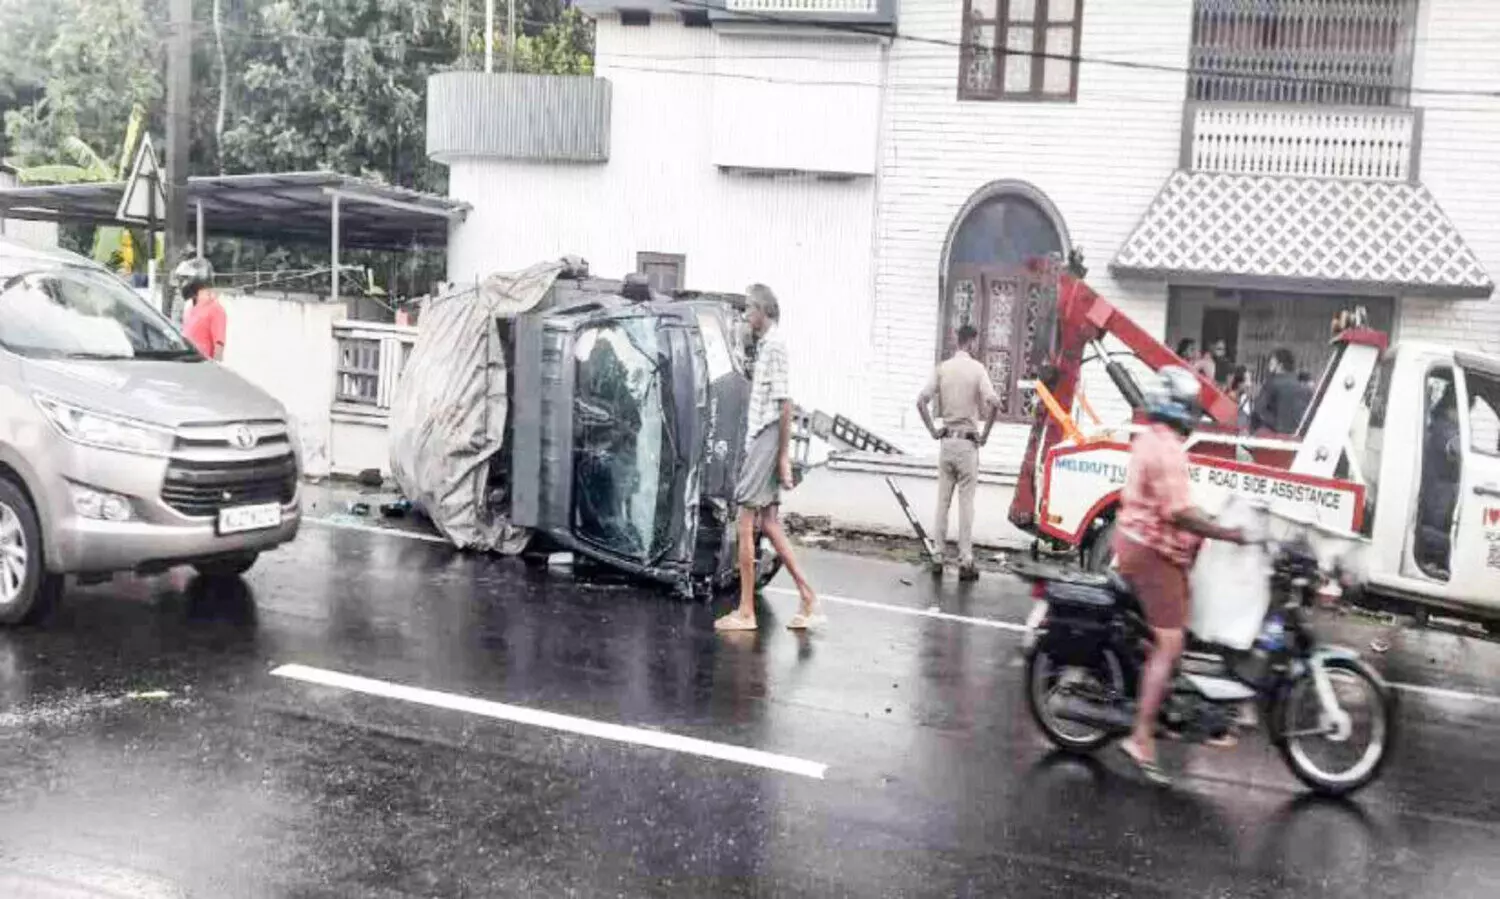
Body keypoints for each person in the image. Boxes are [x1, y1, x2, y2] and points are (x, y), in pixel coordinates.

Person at [1114, 367, 1252, 784]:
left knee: (1177, 618)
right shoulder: (1168, 448)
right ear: (1178, 407)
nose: (1194, 414)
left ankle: (1164, 699)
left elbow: (1177, 505)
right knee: (1170, 642)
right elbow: (1178, 513)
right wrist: (1228, 532)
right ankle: (1140, 737)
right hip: (1151, 550)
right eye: (1191, 406)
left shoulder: (1152, 438)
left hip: (1138, 540)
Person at [715, 284, 821, 632]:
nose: (746, 316)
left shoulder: (774, 346)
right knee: (770, 524)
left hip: (767, 435)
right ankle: (807, 596)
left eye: (748, 309)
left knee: (745, 520)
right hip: (766, 437)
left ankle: (746, 611)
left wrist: (782, 456)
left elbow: (785, 402)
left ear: (763, 311)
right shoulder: (767, 346)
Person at [916, 324, 1001, 582]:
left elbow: (921, 401)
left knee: (942, 502)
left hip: (947, 443)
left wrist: (933, 431)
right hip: (967, 444)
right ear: (972, 342)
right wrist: (984, 435)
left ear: (957, 340)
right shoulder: (977, 370)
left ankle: (938, 555)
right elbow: (994, 402)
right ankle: (966, 560)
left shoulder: (942, 369)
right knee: (966, 505)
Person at [1251, 348, 1304, 434]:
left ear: (1280, 365)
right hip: (1294, 437)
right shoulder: (1302, 386)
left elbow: (1259, 410)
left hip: (1272, 435)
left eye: (1271, 363)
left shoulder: (1272, 383)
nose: (1268, 366)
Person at [180, 278, 227, 361]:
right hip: (186, 361)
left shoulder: (215, 309)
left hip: (202, 362)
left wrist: (215, 368)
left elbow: (219, 343)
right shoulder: (189, 309)